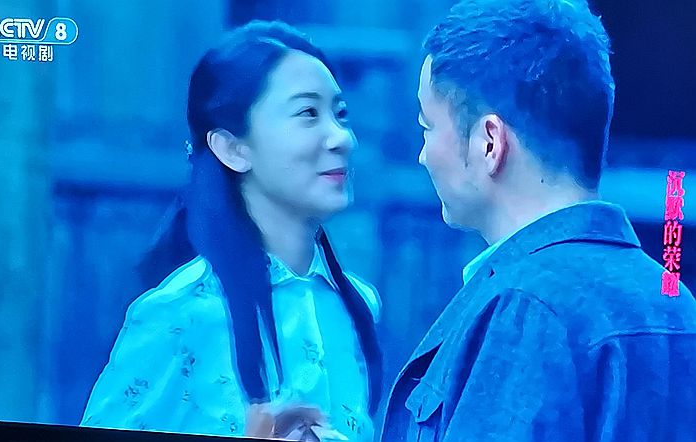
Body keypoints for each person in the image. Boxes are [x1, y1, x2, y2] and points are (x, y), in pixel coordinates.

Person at [381, 1, 696, 441]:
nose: (422, 155)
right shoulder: (676, 304)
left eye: (427, 127)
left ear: (489, 143)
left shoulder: (525, 311)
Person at [81, 20, 382, 442]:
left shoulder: (357, 304)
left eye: (341, 113)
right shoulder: (181, 312)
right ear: (233, 148)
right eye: (308, 113)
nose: (341, 138)